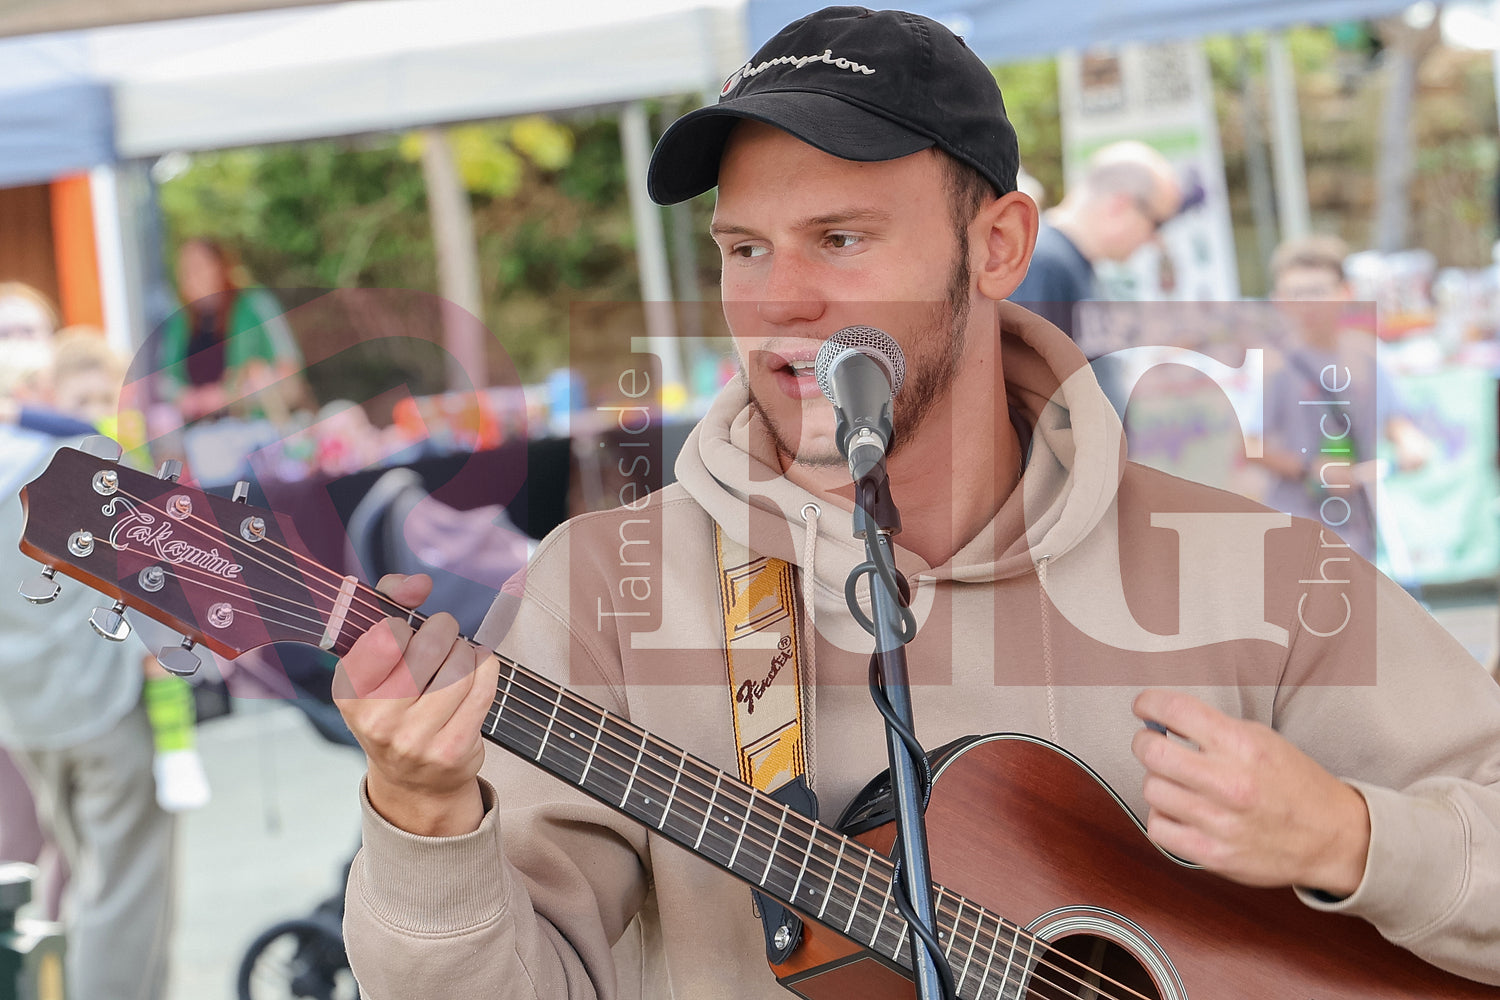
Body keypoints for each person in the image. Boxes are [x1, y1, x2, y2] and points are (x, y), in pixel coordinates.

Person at [333, 7, 1500, 996]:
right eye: (744, 250)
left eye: (840, 239)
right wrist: (423, 816)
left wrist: (1352, 838)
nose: (779, 302)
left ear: (997, 247)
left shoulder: (1250, 569)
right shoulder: (604, 593)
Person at [0, 317, 179, 998]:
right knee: (124, 899)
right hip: (107, 707)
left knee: (83, 883)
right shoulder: (81, 458)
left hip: (26, 717)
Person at [1253, 235, 1431, 564]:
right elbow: (1249, 444)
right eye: (1296, 294)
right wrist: (1312, 469)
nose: (1308, 304)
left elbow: (1395, 419)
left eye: (1317, 291)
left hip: (1359, 523)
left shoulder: (1367, 353)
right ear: (1279, 299)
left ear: (1345, 293)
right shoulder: (1269, 364)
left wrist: (1410, 441)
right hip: (1295, 526)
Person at [1009, 140, 1182, 339]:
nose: (1156, 240)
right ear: (1119, 206)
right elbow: (1026, 365)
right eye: (1158, 224)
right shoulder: (1045, 264)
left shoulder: (1073, 263)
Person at [156, 237, 309, 424]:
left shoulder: (254, 305)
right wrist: (189, 399)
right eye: (184, 270)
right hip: (202, 433)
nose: (190, 275)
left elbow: (289, 369)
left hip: (257, 426)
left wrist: (230, 395)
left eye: (198, 266)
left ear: (221, 267)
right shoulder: (179, 322)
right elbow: (166, 381)